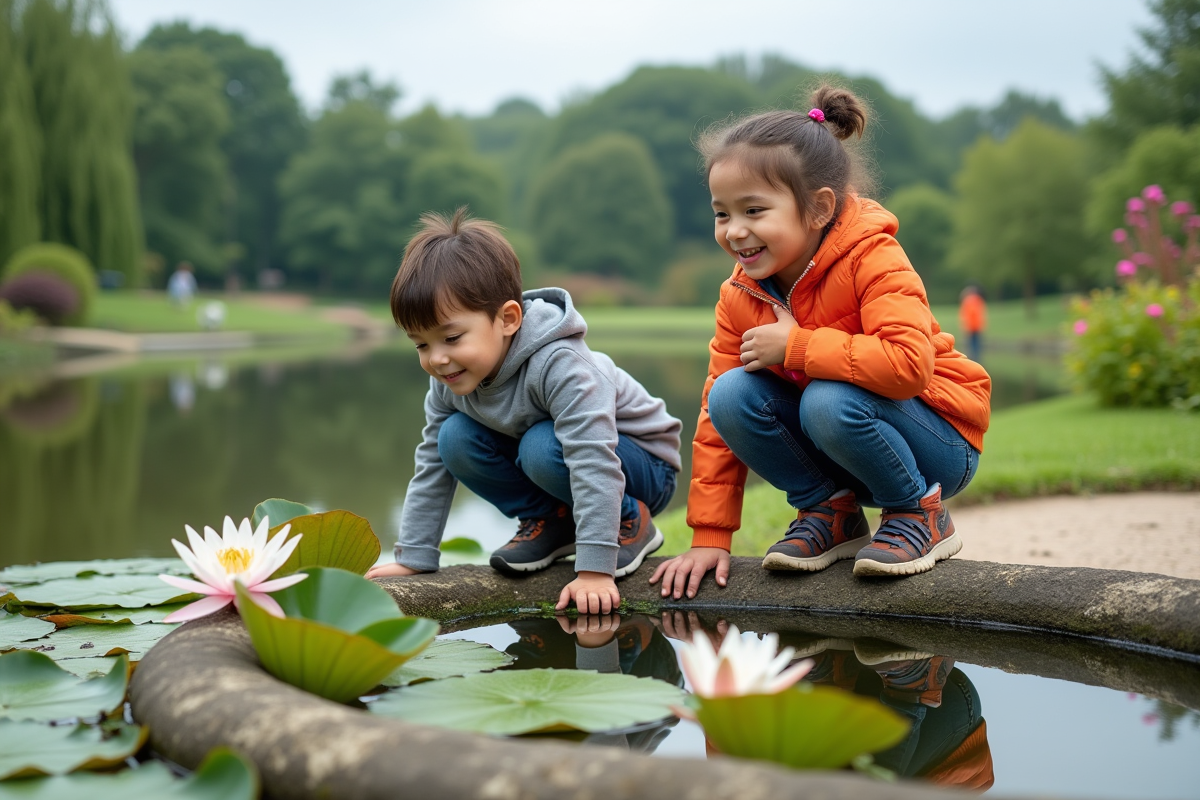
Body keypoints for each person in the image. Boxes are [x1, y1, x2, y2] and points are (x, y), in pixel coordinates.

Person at [650, 85, 991, 600]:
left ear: (817, 208)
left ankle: (919, 514)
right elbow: (716, 423)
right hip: (844, 440)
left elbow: (908, 366)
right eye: (722, 213)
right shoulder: (739, 294)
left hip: (938, 441)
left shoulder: (873, 256)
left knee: (827, 398)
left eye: (754, 211)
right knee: (729, 395)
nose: (735, 231)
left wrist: (798, 347)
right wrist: (710, 536)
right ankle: (830, 512)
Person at [366, 209, 682, 614]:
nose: (438, 359)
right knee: (453, 439)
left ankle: (629, 522)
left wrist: (594, 570)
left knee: (540, 445)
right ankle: (551, 519)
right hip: (557, 463)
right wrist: (414, 555)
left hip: (640, 467)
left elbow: (592, 459)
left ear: (508, 319)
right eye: (421, 345)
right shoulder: (450, 379)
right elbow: (432, 463)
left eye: (451, 337)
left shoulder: (560, 364)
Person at [958, 286, 987, 363]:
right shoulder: (979, 300)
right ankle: (976, 360)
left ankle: (972, 360)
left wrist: (964, 325)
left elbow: (965, 314)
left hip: (971, 326)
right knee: (976, 345)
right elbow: (982, 313)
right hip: (977, 326)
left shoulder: (967, 300)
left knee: (971, 344)